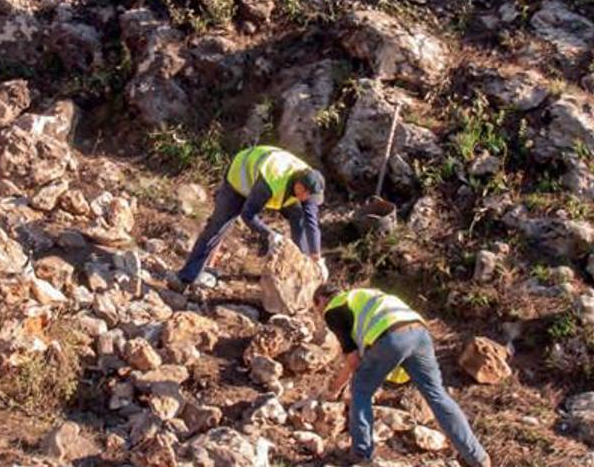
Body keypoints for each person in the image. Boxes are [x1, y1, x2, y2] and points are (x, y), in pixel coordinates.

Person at [315, 285, 491, 467]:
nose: (320, 314)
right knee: (437, 395)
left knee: (360, 390)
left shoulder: (333, 309)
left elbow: (353, 361)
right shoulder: (364, 295)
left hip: (390, 336)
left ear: (321, 299)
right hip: (419, 332)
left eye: (317, 308)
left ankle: (361, 455)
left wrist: (333, 390)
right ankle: (477, 457)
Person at [171, 145, 328, 291]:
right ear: (300, 187)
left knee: (299, 219)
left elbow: (311, 222)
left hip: (277, 181)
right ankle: (186, 278)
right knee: (218, 226)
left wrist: (316, 256)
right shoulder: (272, 180)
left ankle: (299, 280)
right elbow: (248, 215)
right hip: (241, 177)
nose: (310, 200)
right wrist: (271, 235)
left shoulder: (309, 182)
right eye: (308, 196)